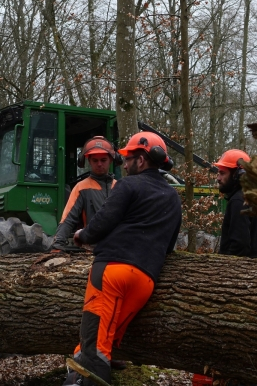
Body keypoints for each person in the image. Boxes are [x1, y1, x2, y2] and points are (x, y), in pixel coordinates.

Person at [63, 131, 182, 386]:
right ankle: (83, 370)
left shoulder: (128, 185)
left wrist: (82, 235)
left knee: (93, 348)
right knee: (105, 339)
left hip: (111, 273)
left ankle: (83, 379)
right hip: (145, 281)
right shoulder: (173, 197)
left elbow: (102, 222)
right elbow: (169, 246)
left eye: (128, 159)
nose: (124, 164)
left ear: (141, 160)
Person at [53, 136, 120, 249]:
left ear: (111, 160)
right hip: (93, 249)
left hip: (118, 247)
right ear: (88, 161)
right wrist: (58, 244)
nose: (99, 164)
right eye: (95, 160)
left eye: (103, 160)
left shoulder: (119, 187)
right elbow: (68, 218)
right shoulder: (81, 187)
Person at [214, 149, 257, 259]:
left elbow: (239, 248)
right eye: (218, 173)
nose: (218, 178)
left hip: (244, 271)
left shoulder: (238, 201)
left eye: (222, 173)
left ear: (238, 175)